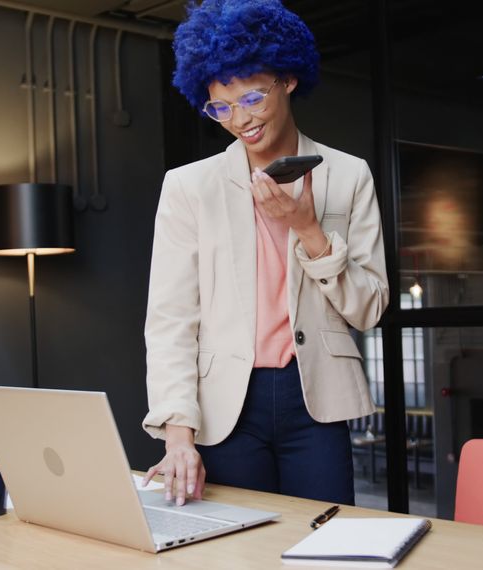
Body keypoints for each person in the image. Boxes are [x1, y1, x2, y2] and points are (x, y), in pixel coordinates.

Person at [140, 0, 388, 507]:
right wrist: (177, 434)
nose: (240, 120)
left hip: (316, 398)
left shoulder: (348, 175)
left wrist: (307, 228)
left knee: (326, 543)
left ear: (289, 79)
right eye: (221, 107)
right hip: (226, 403)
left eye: (252, 97)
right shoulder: (190, 187)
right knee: (237, 550)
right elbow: (170, 319)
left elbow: (369, 308)